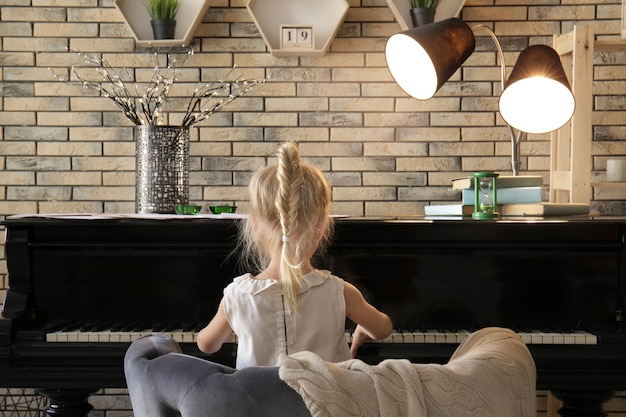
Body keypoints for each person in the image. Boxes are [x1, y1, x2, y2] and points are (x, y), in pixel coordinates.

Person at [196, 141, 392, 368]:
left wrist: (234, 324)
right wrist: (363, 328)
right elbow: (383, 328)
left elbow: (207, 345)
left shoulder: (237, 295)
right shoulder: (340, 292)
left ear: (255, 225)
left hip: (260, 403)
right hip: (327, 402)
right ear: (320, 225)